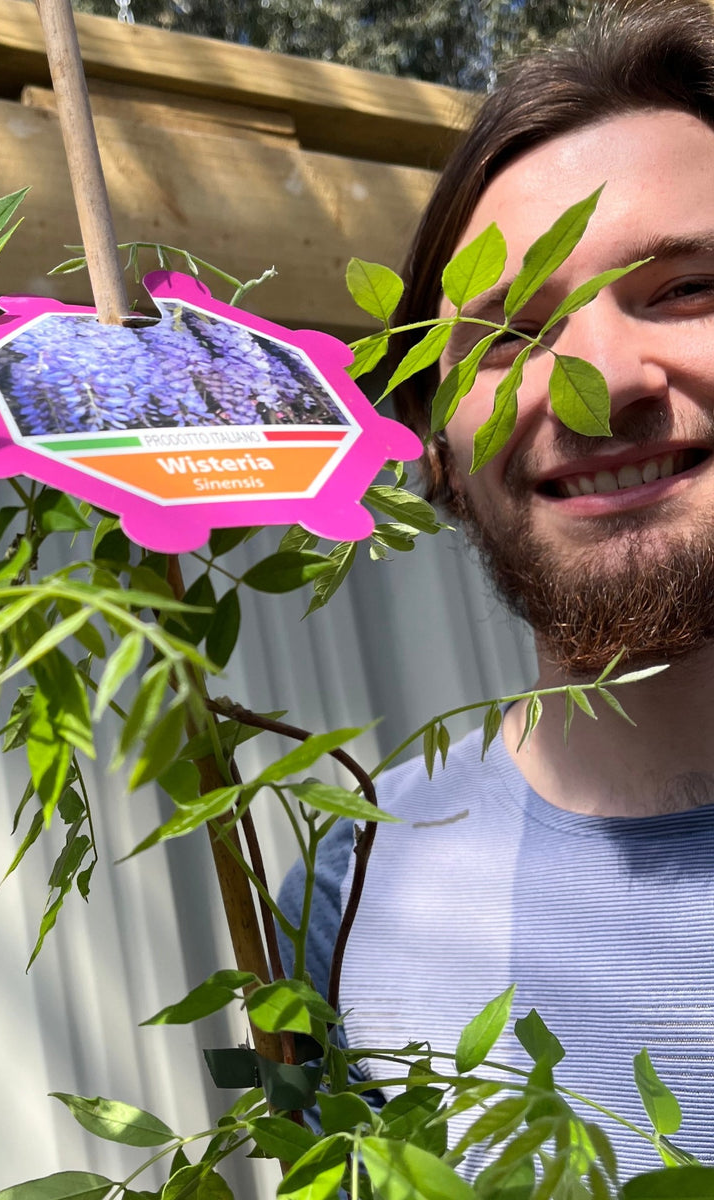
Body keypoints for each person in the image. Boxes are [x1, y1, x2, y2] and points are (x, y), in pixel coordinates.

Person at [279, 0, 714, 1175]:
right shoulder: (350, 880)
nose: (602, 382)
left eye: (683, 288)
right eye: (507, 335)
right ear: (429, 441)